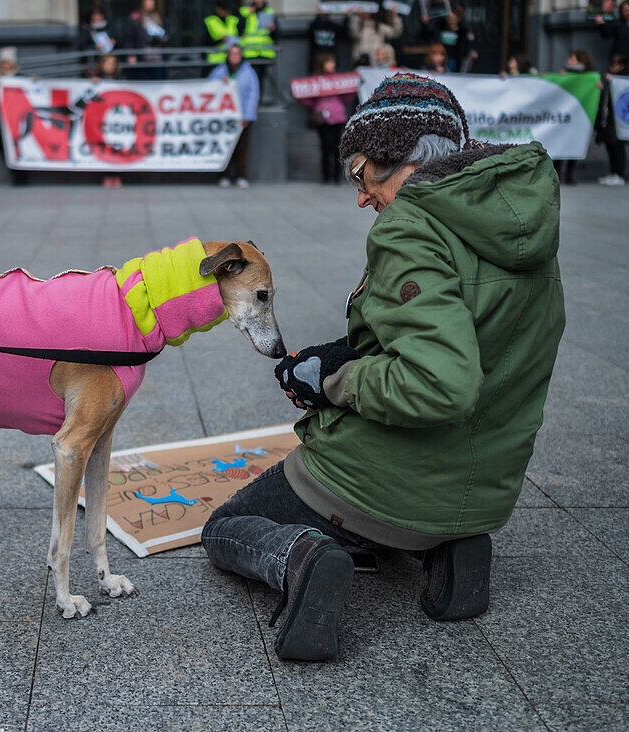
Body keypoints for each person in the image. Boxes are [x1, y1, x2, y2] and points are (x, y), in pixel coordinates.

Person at [202, 73, 565, 661]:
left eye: (361, 172)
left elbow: (441, 385)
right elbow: (478, 340)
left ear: (403, 160)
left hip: (388, 483)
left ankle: (304, 561)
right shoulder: (523, 222)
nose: (361, 195)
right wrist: (346, 352)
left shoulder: (410, 227)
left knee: (227, 527)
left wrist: (334, 383)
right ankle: (451, 548)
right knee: (420, 504)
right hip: (485, 487)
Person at [209, 44, 258, 188]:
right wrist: (219, 82)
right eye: (232, 54)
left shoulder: (249, 73)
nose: (234, 57)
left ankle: (241, 176)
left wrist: (247, 116)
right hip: (224, 117)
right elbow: (208, 88)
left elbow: (253, 95)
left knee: (242, 149)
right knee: (225, 148)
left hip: (241, 116)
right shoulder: (219, 71)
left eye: (237, 54)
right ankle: (224, 176)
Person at [306, 52, 354, 184]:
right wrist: (316, 105)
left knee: (337, 148)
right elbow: (307, 97)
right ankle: (326, 176)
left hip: (337, 117)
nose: (333, 64)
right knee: (325, 147)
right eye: (330, 62)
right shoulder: (315, 79)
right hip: (322, 118)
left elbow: (346, 97)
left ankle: (337, 176)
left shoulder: (338, 79)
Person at [0, 46, 27, 187]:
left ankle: (22, 178)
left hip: (18, 121)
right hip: (3, 122)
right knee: (5, 148)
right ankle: (14, 177)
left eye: (7, 62)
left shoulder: (21, 78)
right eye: (2, 63)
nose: (5, 65)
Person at [555, 49, 597, 185]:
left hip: (578, 116)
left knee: (574, 144)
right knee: (561, 145)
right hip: (565, 115)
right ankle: (558, 174)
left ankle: (569, 175)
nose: (568, 60)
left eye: (572, 58)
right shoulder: (565, 74)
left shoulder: (588, 77)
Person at [595, 53, 629, 186]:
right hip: (609, 119)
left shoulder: (624, 79)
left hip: (620, 119)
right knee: (611, 146)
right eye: (612, 64)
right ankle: (613, 172)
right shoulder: (611, 80)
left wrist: (613, 81)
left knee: (617, 147)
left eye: (616, 64)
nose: (613, 67)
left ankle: (619, 173)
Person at [92, 54, 124, 189]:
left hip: (118, 118)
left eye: (112, 63)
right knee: (104, 144)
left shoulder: (122, 79)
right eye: (107, 63)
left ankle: (118, 174)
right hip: (102, 118)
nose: (109, 66)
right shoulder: (96, 79)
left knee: (117, 144)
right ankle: (106, 175)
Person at [421, 7, 477, 72]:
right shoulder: (440, 27)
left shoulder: (463, 31)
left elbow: (467, 45)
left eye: (453, 18)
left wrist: (471, 51)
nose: (450, 20)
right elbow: (427, 36)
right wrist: (425, 23)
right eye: (448, 18)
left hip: (453, 59)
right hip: (439, 57)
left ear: (458, 19)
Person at [240, 0, 277, 96]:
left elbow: (276, 35)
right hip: (249, 52)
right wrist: (248, 14)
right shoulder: (244, 12)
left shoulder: (270, 12)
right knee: (247, 78)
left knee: (261, 79)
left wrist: (273, 29)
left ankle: (258, 101)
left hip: (264, 52)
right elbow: (238, 29)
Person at [124, 0, 168, 80]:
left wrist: (162, 38)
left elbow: (165, 34)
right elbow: (129, 38)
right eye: (149, 1)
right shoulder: (135, 18)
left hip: (157, 57)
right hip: (142, 55)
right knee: (142, 79)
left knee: (157, 79)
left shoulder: (158, 17)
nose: (151, 3)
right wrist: (131, 54)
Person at [205, 1, 243, 65]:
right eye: (224, 10)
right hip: (215, 60)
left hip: (231, 60)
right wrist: (221, 40)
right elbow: (205, 41)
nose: (225, 12)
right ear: (217, 9)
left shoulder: (233, 20)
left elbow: (241, 31)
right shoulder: (210, 21)